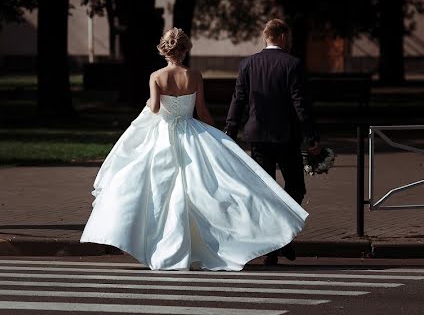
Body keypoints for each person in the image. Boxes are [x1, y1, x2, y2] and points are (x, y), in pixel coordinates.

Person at [80, 27, 308, 271]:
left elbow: (155, 108)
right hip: (192, 133)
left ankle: (163, 244)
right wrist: (220, 136)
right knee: (205, 187)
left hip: (164, 135)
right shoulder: (195, 75)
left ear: (165, 50)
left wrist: (150, 100)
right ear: (185, 50)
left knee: (161, 190)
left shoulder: (156, 76)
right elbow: (202, 111)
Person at [225, 18, 321, 266]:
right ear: (282, 37)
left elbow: (239, 100)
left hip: (257, 137)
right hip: (287, 137)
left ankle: (275, 244)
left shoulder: (248, 64)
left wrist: (229, 134)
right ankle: (284, 238)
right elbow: (301, 104)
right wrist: (311, 137)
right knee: (296, 187)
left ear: (266, 36)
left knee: (266, 191)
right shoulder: (293, 64)